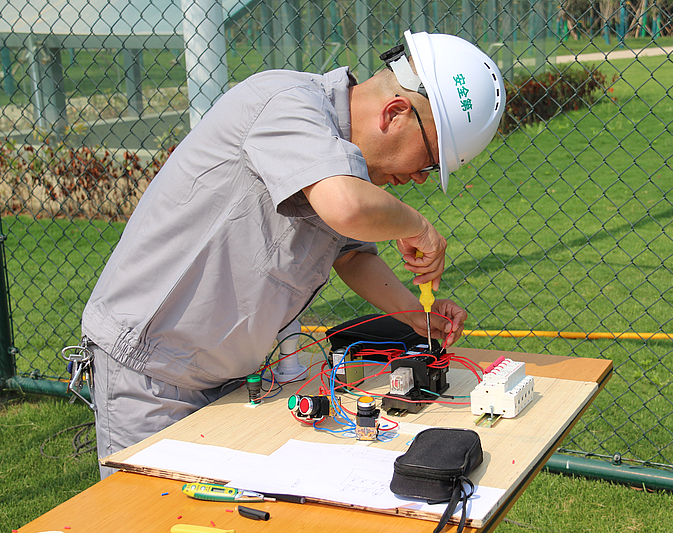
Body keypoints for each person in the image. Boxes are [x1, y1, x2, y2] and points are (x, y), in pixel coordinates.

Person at [81, 30, 506, 477]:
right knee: (151, 510)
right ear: (395, 113)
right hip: (151, 374)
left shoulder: (342, 160)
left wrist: (416, 315)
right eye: (430, 160)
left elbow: (352, 256)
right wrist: (417, 225)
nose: (421, 177)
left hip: (228, 379)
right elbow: (346, 207)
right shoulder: (287, 104)